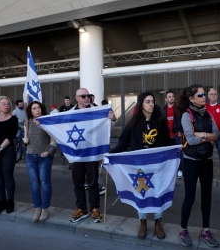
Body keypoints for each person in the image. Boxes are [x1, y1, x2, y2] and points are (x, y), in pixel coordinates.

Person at [111, 92, 171, 239]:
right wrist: (111, 153)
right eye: (147, 101)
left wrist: (175, 150)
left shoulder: (160, 121)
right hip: (140, 165)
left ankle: (158, 222)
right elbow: (123, 142)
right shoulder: (134, 123)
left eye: (152, 101)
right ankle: (143, 221)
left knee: (158, 191)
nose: (151, 104)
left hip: (157, 164)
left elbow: (166, 143)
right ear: (141, 104)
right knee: (141, 192)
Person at [177, 85, 220, 248]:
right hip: (191, 161)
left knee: (207, 197)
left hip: (207, 160)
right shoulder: (186, 115)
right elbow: (190, 140)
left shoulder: (208, 114)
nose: (204, 97)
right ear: (191, 99)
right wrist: (206, 137)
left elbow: (218, 135)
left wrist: (201, 134)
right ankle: (183, 229)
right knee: (190, 197)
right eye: (201, 94)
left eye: (204, 94)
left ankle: (205, 231)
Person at [68, 88, 114, 223]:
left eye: (88, 95)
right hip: (76, 154)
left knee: (93, 183)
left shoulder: (96, 111)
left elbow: (109, 122)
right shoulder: (70, 114)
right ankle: (81, 208)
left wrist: (113, 118)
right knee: (78, 183)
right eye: (83, 96)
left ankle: (95, 209)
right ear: (76, 98)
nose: (86, 98)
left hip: (92, 154)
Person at [24, 100, 56, 222]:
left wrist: (48, 152)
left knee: (45, 183)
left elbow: (54, 139)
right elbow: (26, 140)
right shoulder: (27, 122)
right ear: (30, 111)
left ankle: (45, 208)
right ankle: (37, 208)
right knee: (34, 184)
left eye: (38, 108)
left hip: (44, 157)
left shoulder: (47, 122)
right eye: (34, 108)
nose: (37, 110)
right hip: (30, 156)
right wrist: (25, 142)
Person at [160, 90, 183, 178]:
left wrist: (181, 131)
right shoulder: (162, 110)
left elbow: (182, 120)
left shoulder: (178, 109)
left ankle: (180, 170)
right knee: (168, 154)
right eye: (169, 96)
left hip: (177, 135)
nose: (171, 98)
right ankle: (169, 171)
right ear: (166, 99)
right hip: (167, 136)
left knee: (179, 154)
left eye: (173, 96)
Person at [206, 88, 220, 155]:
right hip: (209, 134)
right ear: (208, 96)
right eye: (211, 94)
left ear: (217, 95)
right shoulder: (204, 106)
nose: (213, 95)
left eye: (215, 94)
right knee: (207, 154)